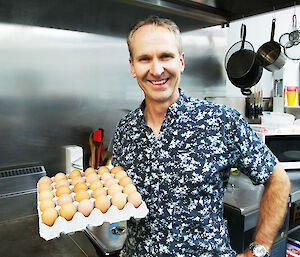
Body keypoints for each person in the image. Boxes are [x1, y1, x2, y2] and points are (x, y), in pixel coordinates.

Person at [112, 16, 290, 257]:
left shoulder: (221, 121)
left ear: (181, 61)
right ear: (133, 67)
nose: (156, 70)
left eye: (166, 56)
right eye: (145, 59)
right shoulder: (126, 129)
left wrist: (257, 250)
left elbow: (278, 179)